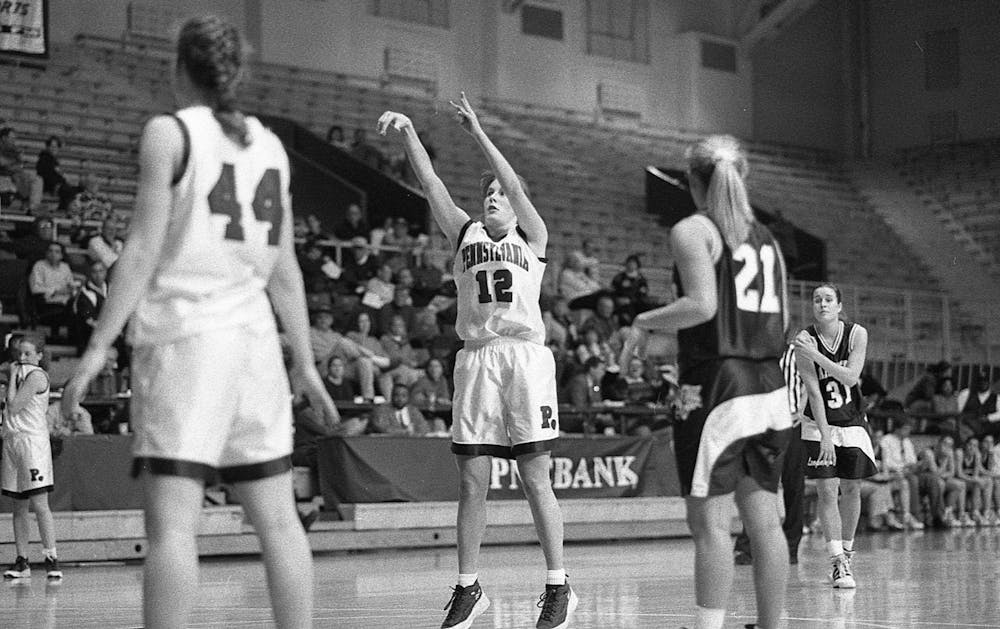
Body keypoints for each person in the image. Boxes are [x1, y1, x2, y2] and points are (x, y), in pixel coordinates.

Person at [59, 16, 339, 629]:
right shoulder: (269, 145)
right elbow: (284, 269)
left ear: (179, 68)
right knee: (279, 522)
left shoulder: (169, 133)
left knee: (172, 531)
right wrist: (306, 362)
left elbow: (138, 251)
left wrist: (95, 347)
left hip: (188, 342)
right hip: (257, 347)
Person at [379, 93, 577, 629]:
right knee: (472, 480)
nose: (492, 197)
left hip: (524, 359)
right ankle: (469, 588)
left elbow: (511, 183)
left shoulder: (533, 239)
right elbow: (432, 185)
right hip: (477, 359)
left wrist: (478, 133)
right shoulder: (464, 232)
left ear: (514, 204)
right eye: (486, 193)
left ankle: (559, 587)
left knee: (537, 478)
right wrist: (410, 133)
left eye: (498, 194)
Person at [631, 134, 792, 629]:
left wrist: (643, 321)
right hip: (771, 384)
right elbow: (781, 320)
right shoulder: (769, 240)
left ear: (694, 182)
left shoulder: (693, 229)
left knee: (709, 525)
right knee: (765, 521)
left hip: (721, 384)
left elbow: (703, 305)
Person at [794, 283, 877, 590]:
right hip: (818, 422)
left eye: (829, 299)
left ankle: (848, 552)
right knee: (827, 490)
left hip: (853, 419)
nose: (823, 304)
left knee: (852, 488)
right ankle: (837, 563)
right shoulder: (803, 339)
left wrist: (817, 355)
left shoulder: (857, 334)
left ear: (839, 305)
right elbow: (813, 392)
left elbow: (851, 377)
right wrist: (825, 436)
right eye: (817, 300)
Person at [2, 335, 62, 580]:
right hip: (12, 442)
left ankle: (51, 559)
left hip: (32, 444)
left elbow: (14, 406)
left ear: (39, 355)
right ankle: (22, 561)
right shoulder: (15, 370)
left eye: (28, 353)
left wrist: (10, 380)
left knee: (39, 505)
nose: (22, 358)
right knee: (18, 506)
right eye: (20, 353)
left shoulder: (36, 376)